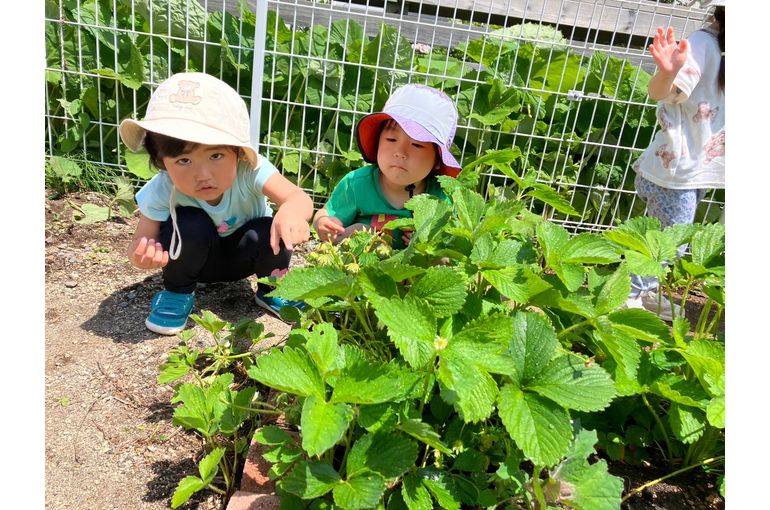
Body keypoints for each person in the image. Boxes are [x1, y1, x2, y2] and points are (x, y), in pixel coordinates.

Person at [119, 72, 313, 335]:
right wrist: (143, 255)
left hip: (246, 257)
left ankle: (273, 288)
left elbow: (299, 198)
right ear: (161, 161)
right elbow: (140, 241)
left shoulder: (250, 170)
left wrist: (290, 212)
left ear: (238, 152)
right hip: (194, 264)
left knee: (268, 228)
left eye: (217, 155)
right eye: (183, 161)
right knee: (189, 223)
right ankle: (177, 293)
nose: (203, 175)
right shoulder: (163, 188)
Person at [625, 1, 725, 320]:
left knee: (666, 237)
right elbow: (663, 92)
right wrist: (667, 72)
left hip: (697, 172)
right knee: (671, 243)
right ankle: (628, 295)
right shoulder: (704, 44)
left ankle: (644, 291)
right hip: (675, 172)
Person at [313, 83, 461, 248]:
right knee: (361, 231)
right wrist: (324, 222)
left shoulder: (441, 200)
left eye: (417, 145)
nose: (400, 152)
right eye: (391, 140)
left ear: (437, 161)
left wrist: (428, 247)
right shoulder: (357, 184)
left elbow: (452, 245)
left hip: (413, 270)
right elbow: (327, 213)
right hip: (357, 264)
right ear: (377, 142)